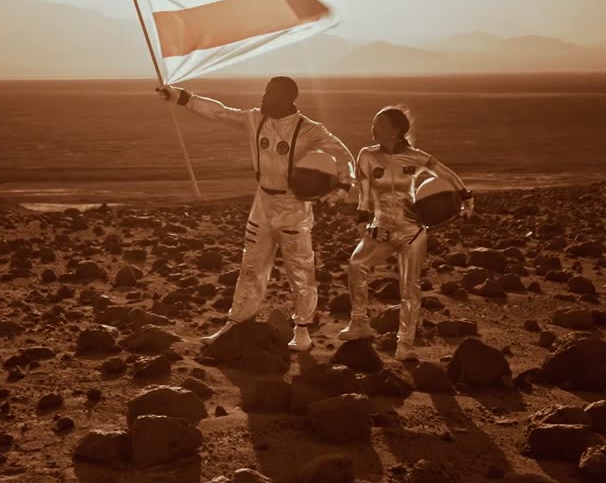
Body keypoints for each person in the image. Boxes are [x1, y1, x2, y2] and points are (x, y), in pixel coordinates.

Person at [157, 76, 356, 352]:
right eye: (265, 91)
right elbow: (221, 112)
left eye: (270, 93)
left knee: (300, 270)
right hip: (262, 203)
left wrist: (344, 186)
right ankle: (237, 320)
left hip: (293, 208)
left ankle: (302, 329)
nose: (263, 97)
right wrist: (183, 98)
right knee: (251, 266)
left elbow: (343, 154)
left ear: (287, 99)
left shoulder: (309, 130)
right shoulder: (255, 119)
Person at [338, 104, 474, 361]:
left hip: (412, 231)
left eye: (379, 124)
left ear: (396, 130)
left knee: (409, 287)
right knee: (356, 264)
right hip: (381, 229)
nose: (373, 129)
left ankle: (406, 344)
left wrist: (467, 198)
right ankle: (359, 323)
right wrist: (362, 223)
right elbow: (364, 195)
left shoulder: (417, 156)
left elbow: (446, 174)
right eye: (372, 123)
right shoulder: (366, 155)